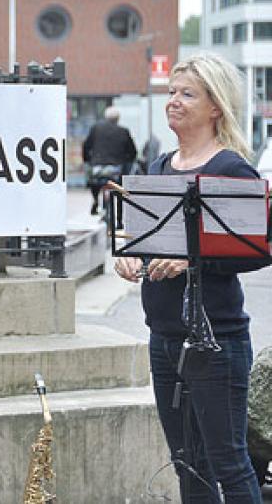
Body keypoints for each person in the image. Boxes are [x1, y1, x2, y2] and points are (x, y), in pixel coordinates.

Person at [115, 53, 271, 503]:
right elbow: (139, 237)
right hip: (163, 337)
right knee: (187, 463)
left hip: (215, 341)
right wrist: (129, 256)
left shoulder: (231, 169)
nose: (174, 102)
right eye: (171, 93)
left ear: (215, 106)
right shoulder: (160, 167)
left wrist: (193, 258)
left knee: (229, 463)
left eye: (187, 94)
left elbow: (257, 252)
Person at [83, 105, 137, 215]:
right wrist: (127, 159)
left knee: (94, 182)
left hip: (97, 168)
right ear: (118, 118)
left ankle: (95, 200)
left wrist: (87, 159)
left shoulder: (95, 128)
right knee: (120, 187)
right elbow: (133, 152)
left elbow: (86, 146)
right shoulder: (124, 131)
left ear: (105, 117)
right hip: (116, 170)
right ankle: (119, 215)